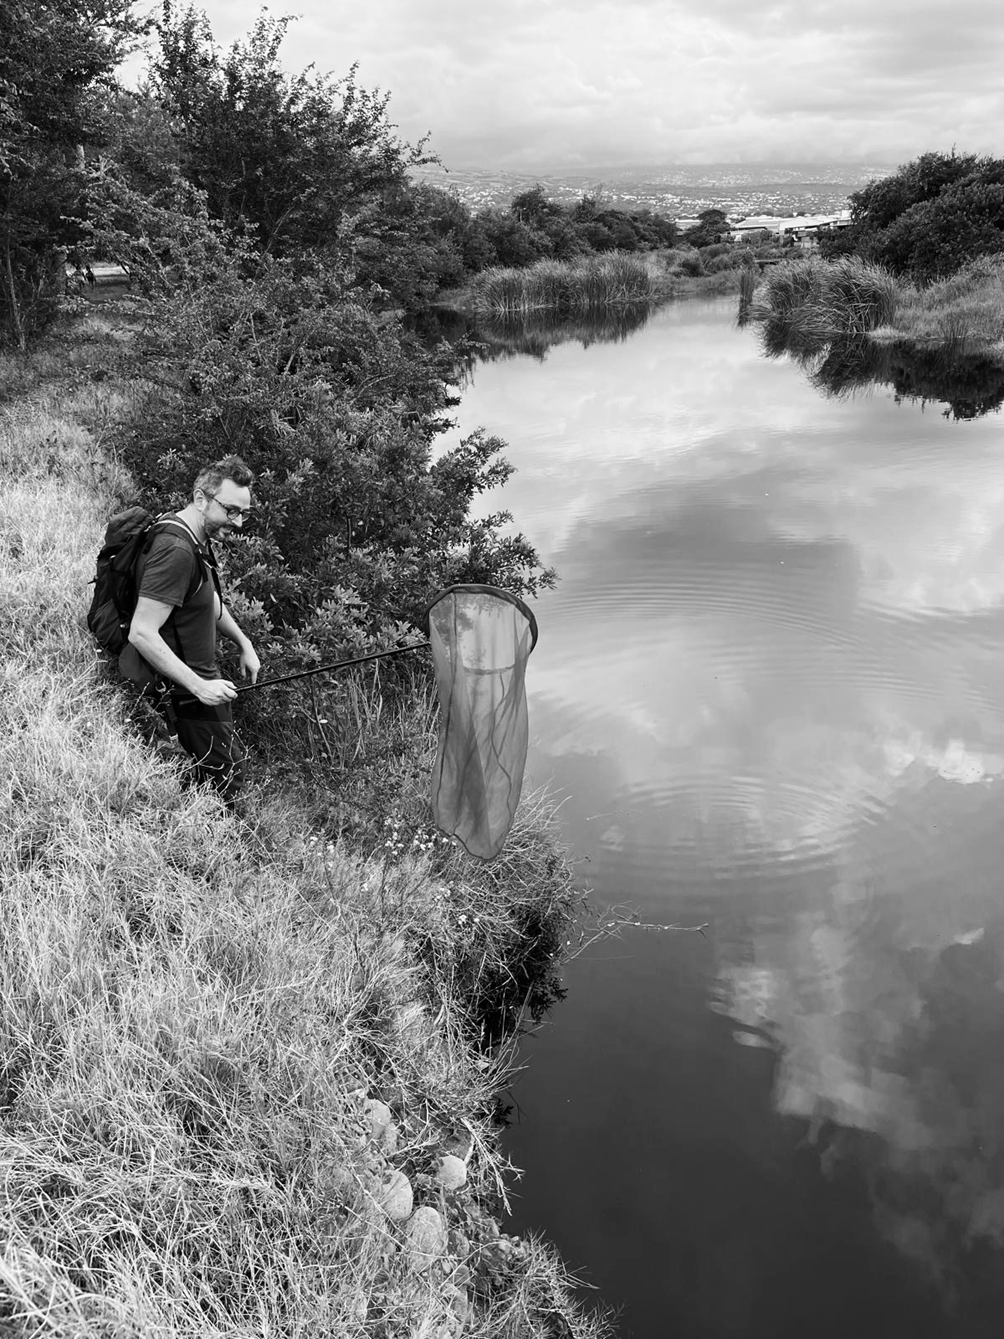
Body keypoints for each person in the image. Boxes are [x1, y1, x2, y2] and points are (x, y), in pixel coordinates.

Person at [128, 456, 261, 804]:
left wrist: (243, 642)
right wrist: (199, 686)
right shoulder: (176, 550)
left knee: (217, 784)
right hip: (187, 700)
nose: (239, 522)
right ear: (201, 499)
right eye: (231, 510)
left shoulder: (191, 536)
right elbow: (141, 632)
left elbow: (206, 598)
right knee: (227, 793)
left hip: (199, 691)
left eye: (243, 513)